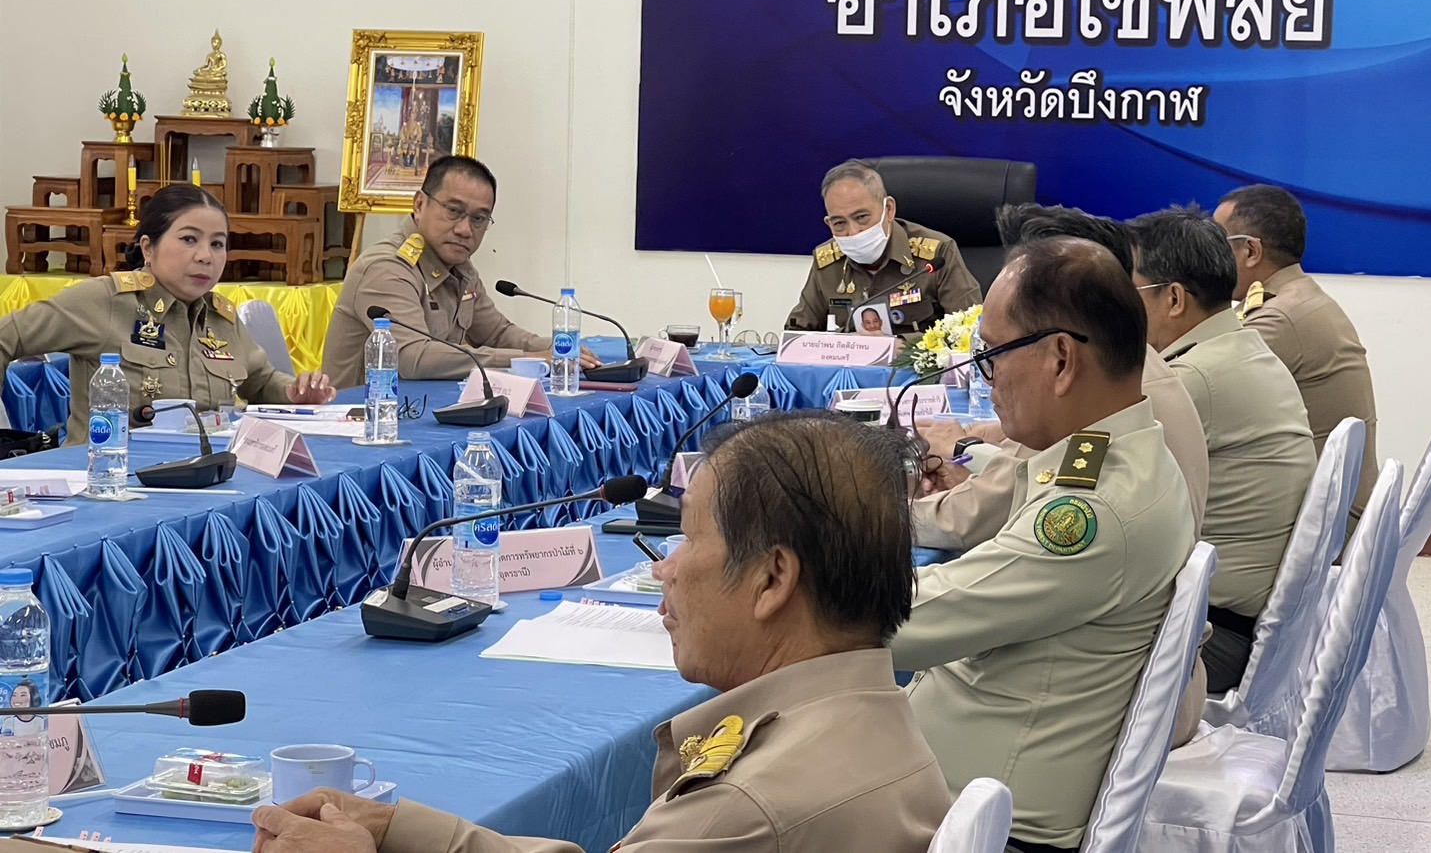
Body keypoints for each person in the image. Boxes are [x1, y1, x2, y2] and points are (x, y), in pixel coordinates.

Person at [252, 412, 953, 853]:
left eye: (685, 542)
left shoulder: (748, 811)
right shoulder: (876, 714)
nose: (666, 571)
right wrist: (400, 832)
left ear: (772, 579)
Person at [892, 238, 1194, 852]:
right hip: (962, 792)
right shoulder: (1110, 453)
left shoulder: (1091, 512)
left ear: (1060, 360)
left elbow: (899, 620)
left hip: (981, 828)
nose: (989, 380)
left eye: (993, 357)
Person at [912, 204, 1209, 549]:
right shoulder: (1131, 367)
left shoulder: (1090, 397)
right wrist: (972, 451)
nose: (991, 377)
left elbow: (969, 519)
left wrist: (872, 510)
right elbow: (1020, 478)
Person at [1130, 206, 1316, 695]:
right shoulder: (1241, 348)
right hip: (1232, 617)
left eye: (1128, 295)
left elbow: (1101, 484)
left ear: (1173, 298)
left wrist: (964, 454)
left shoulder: (1190, 381)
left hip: (1208, 635)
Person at [0, 185, 334, 444]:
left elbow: (260, 383)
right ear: (148, 248)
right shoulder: (105, 301)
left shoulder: (219, 318)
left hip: (203, 483)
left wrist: (295, 392)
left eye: (218, 244)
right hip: (111, 483)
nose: (206, 256)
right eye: (189, 239)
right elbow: (6, 337)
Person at [323, 156, 597, 386]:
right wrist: (529, 359)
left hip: (423, 414)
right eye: (453, 211)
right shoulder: (387, 268)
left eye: (478, 219)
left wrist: (562, 347)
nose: (465, 230)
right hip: (363, 424)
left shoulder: (460, 268)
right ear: (419, 204)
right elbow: (414, 358)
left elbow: (498, 334)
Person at [1214, 184, 1379, 539]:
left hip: (1329, 523)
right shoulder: (1295, 299)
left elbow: (1205, 388)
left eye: (1216, 242)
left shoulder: (1280, 317)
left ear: (1251, 251)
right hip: (1334, 506)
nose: (1207, 255)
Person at [786, 160, 981, 334]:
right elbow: (796, 332)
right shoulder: (827, 262)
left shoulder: (937, 254)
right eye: (839, 223)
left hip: (917, 371)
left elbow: (969, 331)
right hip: (851, 372)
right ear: (828, 224)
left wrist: (904, 346)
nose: (853, 232)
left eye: (861, 217)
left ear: (888, 210)